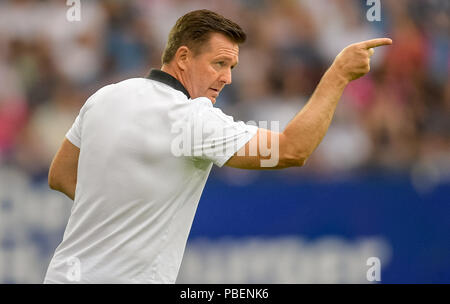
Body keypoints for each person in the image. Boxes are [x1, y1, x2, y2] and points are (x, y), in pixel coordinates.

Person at [44, 9, 392, 283]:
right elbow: (291, 150)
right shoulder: (195, 121)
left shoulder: (106, 96)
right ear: (182, 58)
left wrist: (120, 213)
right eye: (219, 63)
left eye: (232, 66)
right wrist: (337, 76)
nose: (227, 77)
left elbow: (60, 175)